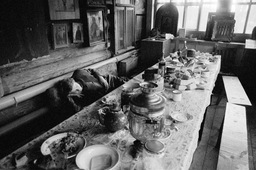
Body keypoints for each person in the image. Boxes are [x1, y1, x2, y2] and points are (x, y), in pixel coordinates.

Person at [46, 69, 127, 114]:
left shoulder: (78, 72)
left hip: (112, 80)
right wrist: (70, 98)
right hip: (109, 95)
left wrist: (99, 77)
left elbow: (91, 70)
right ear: (70, 94)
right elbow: (79, 110)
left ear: (73, 79)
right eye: (76, 90)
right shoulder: (76, 98)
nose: (79, 88)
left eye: (77, 85)